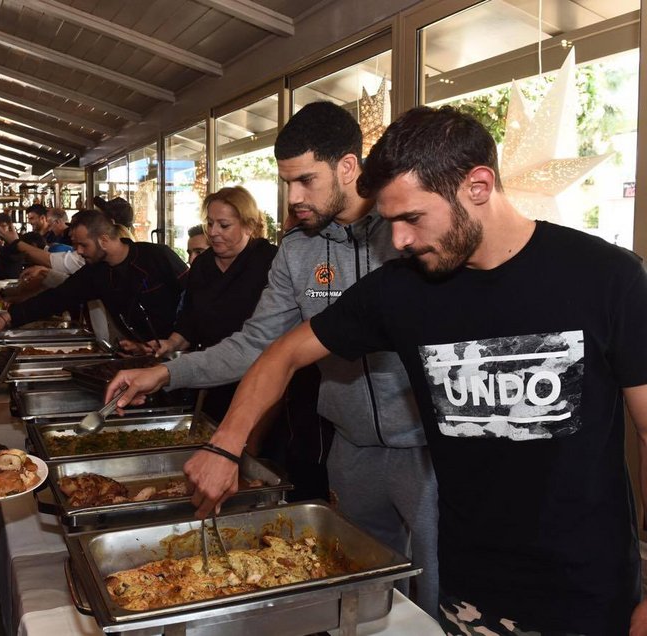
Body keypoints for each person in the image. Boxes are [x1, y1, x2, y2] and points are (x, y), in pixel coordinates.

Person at [185, 105, 647, 635]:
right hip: (469, 586)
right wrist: (226, 444)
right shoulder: (403, 291)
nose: (398, 240)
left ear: (477, 185)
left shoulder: (606, 277)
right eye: (392, 220)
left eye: (411, 218)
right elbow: (281, 353)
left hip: (589, 591)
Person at [105, 101, 438, 615]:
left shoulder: (407, 232)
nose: (293, 197)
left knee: (438, 587)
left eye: (305, 180)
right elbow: (257, 344)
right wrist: (168, 371)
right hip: (351, 448)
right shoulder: (297, 251)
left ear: (348, 167)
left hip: (426, 448)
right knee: (367, 595)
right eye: (286, 183)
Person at [143, 187, 277, 427]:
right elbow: (189, 321)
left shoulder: (270, 260)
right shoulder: (203, 265)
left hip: (259, 380)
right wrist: (170, 344)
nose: (213, 232)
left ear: (248, 225)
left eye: (224, 225)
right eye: (210, 223)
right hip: (210, 378)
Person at [0, 209, 188, 339]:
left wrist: (177, 340)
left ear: (104, 239)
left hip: (178, 351)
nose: (78, 251)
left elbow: (192, 296)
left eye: (83, 245)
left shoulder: (157, 255)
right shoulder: (96, 273)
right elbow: (57, 297)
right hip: (140, 352)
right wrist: (8, 318)